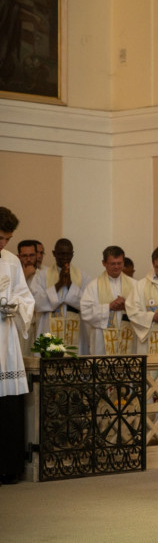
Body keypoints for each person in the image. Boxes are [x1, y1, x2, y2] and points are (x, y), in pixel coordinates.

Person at [0, 207, 34, 485]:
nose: (3, 244)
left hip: (6, 337)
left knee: (8, 404)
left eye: (7, 239)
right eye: (0, 238)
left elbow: (26, 297)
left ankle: (9, 467)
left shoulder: (11, 261)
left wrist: (15, 305)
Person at [30, 238, 91, 355]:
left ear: (72, 254)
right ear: (54, 253)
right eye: (61, 254)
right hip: (48, 328)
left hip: (76, 330)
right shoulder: (41, 276)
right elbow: (36, 304)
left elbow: (87, 304)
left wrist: (70, 285)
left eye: (68, 254)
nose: (65, 257)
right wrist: (58, 284)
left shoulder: (83, 276)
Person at [81, 246, 137, 355]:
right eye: (112, 264)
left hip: (128, 337)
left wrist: (126, 306)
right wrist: (109, 307)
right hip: (102, 341)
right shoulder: (94, 286)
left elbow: (142, 310)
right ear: (104, 263)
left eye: (119, 263)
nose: (116, 267)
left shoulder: (134, 284)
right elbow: (85, 312)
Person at [126, 246, 158, 354]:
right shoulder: (141, 285)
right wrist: (152, 317)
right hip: (149, 341)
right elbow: (132, 311)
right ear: (153, 264)